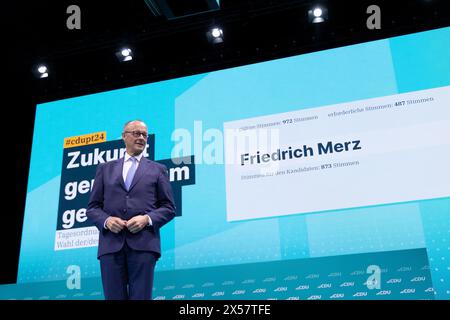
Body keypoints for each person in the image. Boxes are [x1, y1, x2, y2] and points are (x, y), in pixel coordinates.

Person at [87, 120, 176, 300]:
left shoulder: (158, 170)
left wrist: (147, 219)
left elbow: (169, 207)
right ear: (124, 136)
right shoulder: (105, 169)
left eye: (144, 135)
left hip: (144, 245)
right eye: (136, 133)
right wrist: (107, 221)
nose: (141, 138)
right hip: (111, 247)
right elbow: (92, 208)